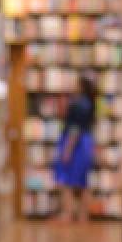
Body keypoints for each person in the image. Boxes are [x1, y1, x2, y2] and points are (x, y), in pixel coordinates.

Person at [52, 74, 98, 223]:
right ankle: (83, 215)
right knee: (82, 181)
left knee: (66, 180)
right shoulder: (89, 103)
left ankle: (67, 213)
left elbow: (75, 128)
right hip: (85, 143)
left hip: (75, 143)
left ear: (81, 86)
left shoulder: (79, 104)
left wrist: (68, 149)